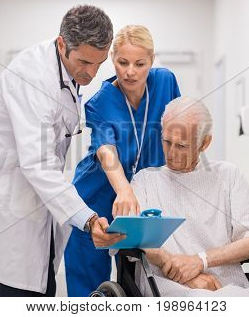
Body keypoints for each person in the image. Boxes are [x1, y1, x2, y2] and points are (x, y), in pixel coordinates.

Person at [0, 5, 124, 297]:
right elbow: (39, 163)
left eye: (99, 64)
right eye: (84, 62)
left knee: (43, 291)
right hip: (10, 217)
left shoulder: (65, 71)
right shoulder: (32, 80)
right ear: (62, 44)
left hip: (39, 211)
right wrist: (87, 219)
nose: (91, 73)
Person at [64, 25, 181, 296]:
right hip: (97, 197)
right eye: (122, 62)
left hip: (141, 198)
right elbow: (106, 150)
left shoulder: (165, 82)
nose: (130, 71)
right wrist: (124, 189)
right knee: (89, 288)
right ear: (112, 58)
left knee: (135, 279)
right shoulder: (100, 102)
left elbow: (177, 126)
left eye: (140, 64)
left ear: (151, 60)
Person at [130, 96, 249, 296]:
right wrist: (186, 274)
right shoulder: (145, 181)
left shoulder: (227, 175)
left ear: (204, 143)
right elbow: (135, 238)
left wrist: (201, 261)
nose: (171, 153)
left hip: (228, 288)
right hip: (168, 288)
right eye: (167, 141)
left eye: (181, 146)